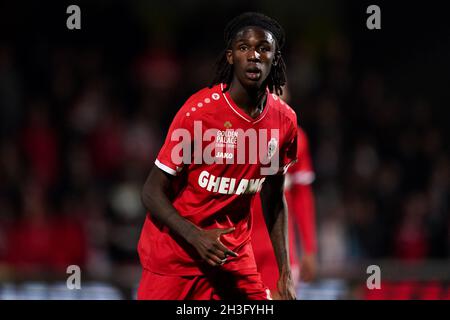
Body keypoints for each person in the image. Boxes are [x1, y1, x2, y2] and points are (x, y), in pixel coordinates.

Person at [137, 12, 298, 300]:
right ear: (230, 57)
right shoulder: (199, 114)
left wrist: (284, 271)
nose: (253, 56)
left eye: (263, 48)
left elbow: (273, 198)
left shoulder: (283, 121)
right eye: (244, 48)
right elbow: (151, 192)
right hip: (175, 258)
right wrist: (195, 236)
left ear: (275, 58)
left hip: (232, 258)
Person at [252, 125, 317, 298]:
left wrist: (309, 248)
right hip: (238, 242)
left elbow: (302, 197)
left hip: (279, 247)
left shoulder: (296, 137)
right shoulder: (233, 132)